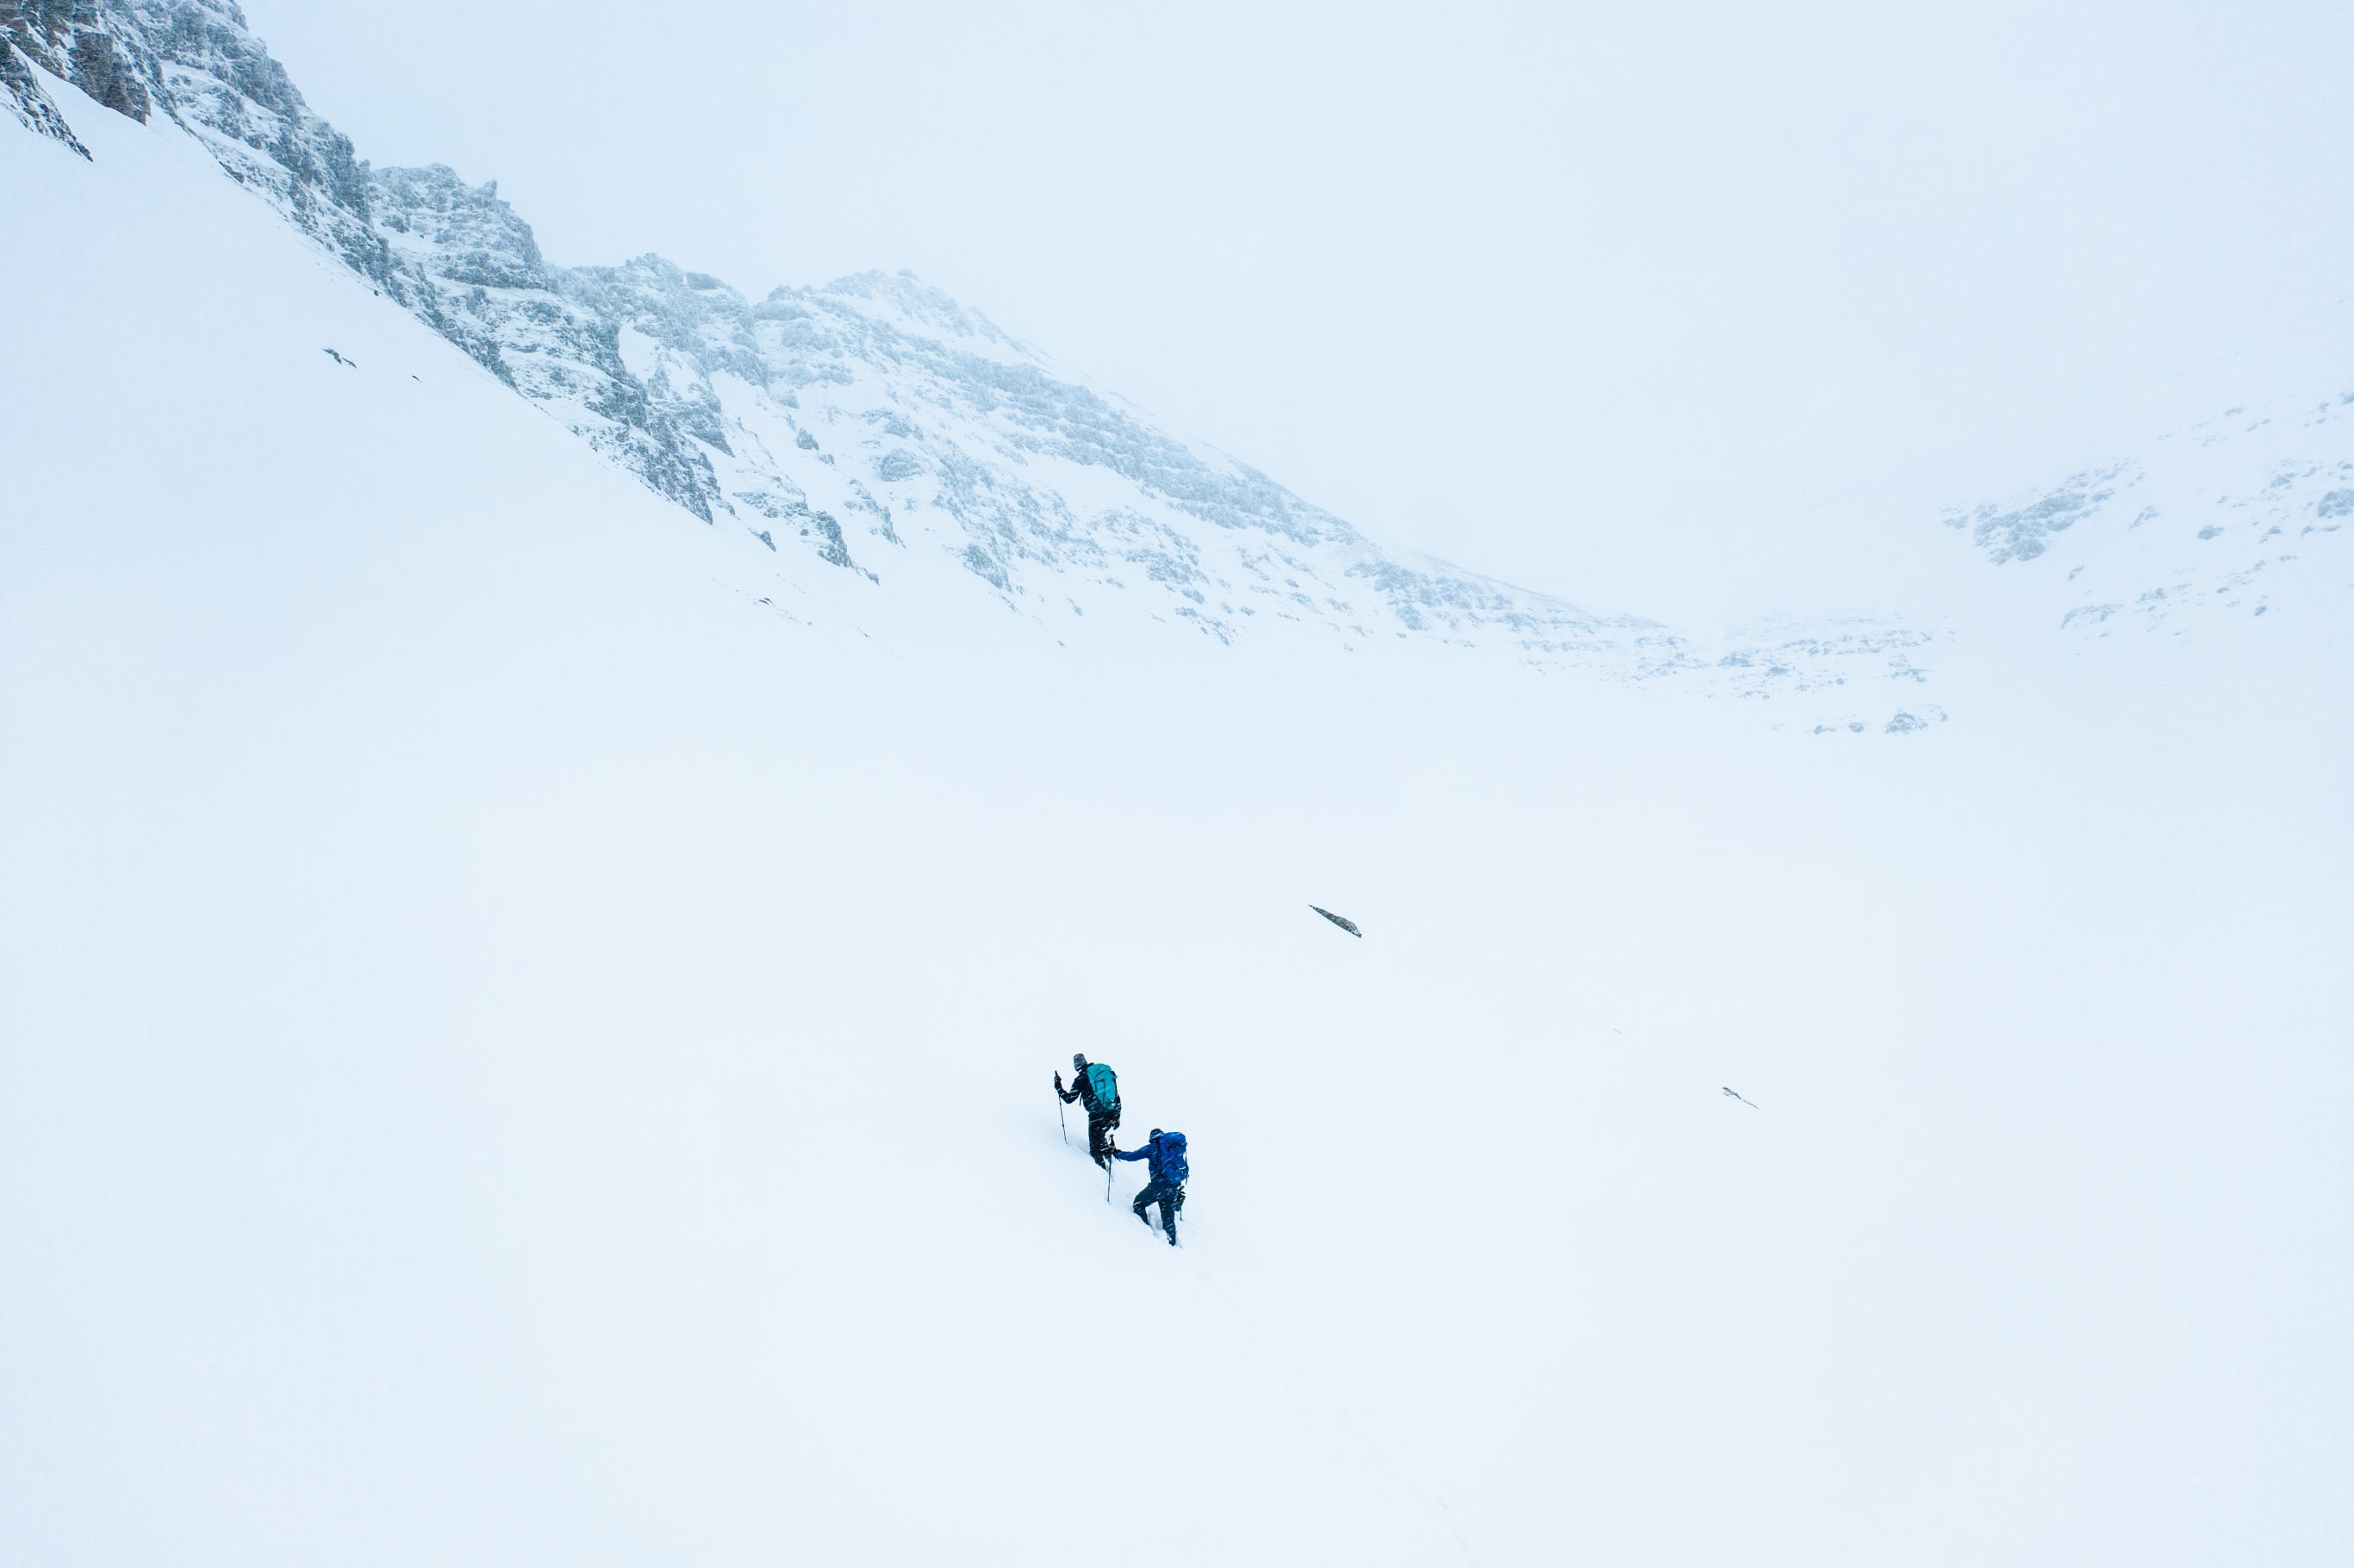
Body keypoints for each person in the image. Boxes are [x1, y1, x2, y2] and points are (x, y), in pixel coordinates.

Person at [1115, 1128, 1188, 1246]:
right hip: (1173, 1189)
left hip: (1158, 1187)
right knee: (1168, 1220)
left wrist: (1117, 1153)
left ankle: (1145, 1233)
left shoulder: (1152, 1148)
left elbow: (1133, 1156)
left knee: (1138, 1204)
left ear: (1152, 1138)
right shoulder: (1173, 1150)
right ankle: (1172, 1245)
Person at [1054, 1054, 1120, 1169]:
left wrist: (1058, 1085)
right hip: (1111, 1112)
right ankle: (1111, 1159)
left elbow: (1069, 1099)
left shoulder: (1081, 1078)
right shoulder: (1102, 1074)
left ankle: (1103, 1171)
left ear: (1076, 1066)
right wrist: (1117, 1116)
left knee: (1095, 1148)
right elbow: (1116, 1095)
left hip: (1096, 1115)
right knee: (1101, 1136)